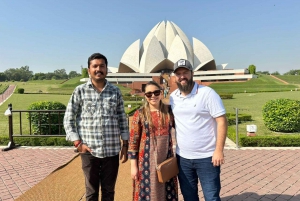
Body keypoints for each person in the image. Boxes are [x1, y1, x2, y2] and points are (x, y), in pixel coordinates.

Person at [63, 53, 129, 201]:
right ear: (89, 70)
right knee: (91, 192)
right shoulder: (80, 91)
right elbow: (68, 118)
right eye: (95, 66)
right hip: (89, 150)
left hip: (111, 151)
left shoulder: (115, 92)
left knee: (108, 191)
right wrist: (78, 143)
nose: (98, 69)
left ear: (106, 69)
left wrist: (125, 144)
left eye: (102, 66)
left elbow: (122, 119)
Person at [170, 59, 228, 201]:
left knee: (211, 197)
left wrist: (219, 150)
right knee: (189, 197)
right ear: (174, 77)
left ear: (192, 73)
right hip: (183, 157)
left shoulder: (207, 93)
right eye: (178, 73)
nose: (182, 76)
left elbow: (222, 121)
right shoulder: (173, 97)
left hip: (207, 157)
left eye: (185, 72)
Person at [128, 81, 178, 201]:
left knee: (167, 189)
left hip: (166, 158)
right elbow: (133, 141)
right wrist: (133, 166)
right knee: (147, 191)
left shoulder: (169, 112)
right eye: (149, 94)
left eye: (156, 92)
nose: (153, 96)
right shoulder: (140, 114)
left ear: (161, 93)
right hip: (146, 160)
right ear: (145, 96)